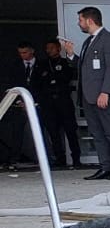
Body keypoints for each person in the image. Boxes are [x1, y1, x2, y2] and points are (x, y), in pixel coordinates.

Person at [59, 6, 110, 179]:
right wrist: (70, 55)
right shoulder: (87, 42)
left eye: (80, 20)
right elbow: (85, 68)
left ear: (90, 20)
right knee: (97, 134)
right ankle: (106, 166)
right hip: (89, 97)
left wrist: (105, 92)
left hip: (105, 97)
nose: (78, 23)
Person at [36, 40, 83, 168]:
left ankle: (76, 159)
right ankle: (59, 158)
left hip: (63, 101)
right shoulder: (42, 64)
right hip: (48, 103)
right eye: (47, 48)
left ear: (58, 49)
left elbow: (70, 76)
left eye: (51, 48)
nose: (49, 50)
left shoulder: (65, 63)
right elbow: (37, 83)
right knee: (53, 132)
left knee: (70, 131)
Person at [0, 43, 39, 170]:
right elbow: (11, 84)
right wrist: (20, 101)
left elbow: (43, 85)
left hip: (39, 104)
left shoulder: (42, 64)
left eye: (25, 52)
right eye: (21, 53)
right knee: (17, 132)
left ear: (32, 51)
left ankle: (49, 158)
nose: (23, 55)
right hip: (20, 105)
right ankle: (14, 158)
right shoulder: (15, 66)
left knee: (44, 131)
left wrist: (34, 101)